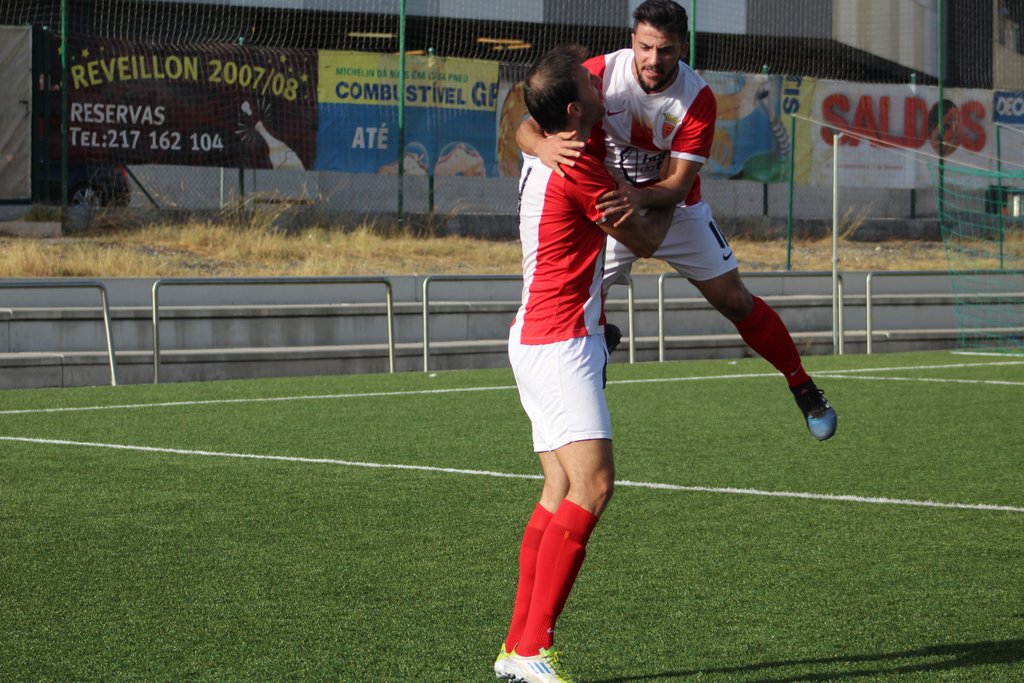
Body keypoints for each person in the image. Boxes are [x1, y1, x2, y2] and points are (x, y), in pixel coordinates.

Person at [517, 0, 837, 441]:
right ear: (633, 41)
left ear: (682, 48)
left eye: (666, 50)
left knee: (734, 300)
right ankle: (597, 349)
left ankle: (802, 386)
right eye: (645, 47)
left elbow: (678, 186)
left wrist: (638, 195)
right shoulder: (597, 74)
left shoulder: (697, 98)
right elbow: (530, 122)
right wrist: (541, 146)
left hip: (673, 205)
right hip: (612, 207)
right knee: (578, 296)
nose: (654, 59)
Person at [496, 45, 670, 683]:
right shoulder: (577, 166)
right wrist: (676, 188)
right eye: (589, 85)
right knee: (593, 486)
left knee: (558, 490)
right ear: (573, 111)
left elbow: (524, 125)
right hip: (560, 340)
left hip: (537, 336)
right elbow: (644, 241)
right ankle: (533, 650)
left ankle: (515, 647)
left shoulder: (545, 144)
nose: (600, 85)